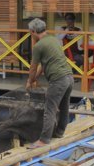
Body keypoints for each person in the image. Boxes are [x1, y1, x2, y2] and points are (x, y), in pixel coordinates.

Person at [26, 18, 74, 147]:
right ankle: (59, 132)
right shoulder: (54, 39)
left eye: (30, 32)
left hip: (58, 80)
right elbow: (44, 65)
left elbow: (33, 67)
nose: (31, 35)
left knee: (50, 108)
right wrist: (34, 78)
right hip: (69, 77)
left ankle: (44, 140)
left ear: (34, 31)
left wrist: (29, 81)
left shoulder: (38, 46)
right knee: (64, 106)